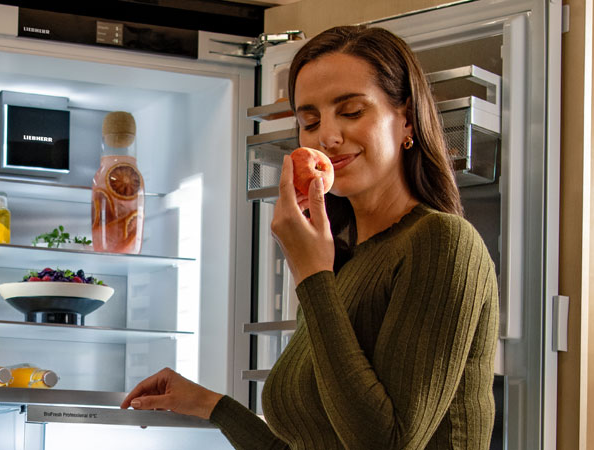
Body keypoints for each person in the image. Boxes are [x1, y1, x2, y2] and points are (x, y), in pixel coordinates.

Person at [119, 25, 499, 450]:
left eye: (352, 111)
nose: (327, 137)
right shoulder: (344, 262)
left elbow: (388, 444)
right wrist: (213, 406)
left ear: (406, 118)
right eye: (310, 121)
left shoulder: (443, 242)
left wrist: (312, 276)